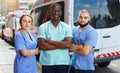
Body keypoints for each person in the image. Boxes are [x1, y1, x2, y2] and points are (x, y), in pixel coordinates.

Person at [38, 3, 72, 73]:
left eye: (58, 11)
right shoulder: (43, 27)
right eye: (53, 10)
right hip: (47, 63)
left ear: (61, 12)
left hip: (62, 62)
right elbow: (42, 45)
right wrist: (61, 44)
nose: (56, 13)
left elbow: (68, 44)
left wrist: (49, 41)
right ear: (50, 12)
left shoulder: (66, 27)